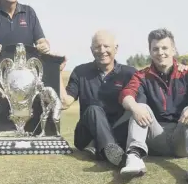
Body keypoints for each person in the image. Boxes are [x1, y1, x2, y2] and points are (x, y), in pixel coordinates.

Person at [119, 28, 188, 184]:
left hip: (181, 138)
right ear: (150, 51)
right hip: (155, 138)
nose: (160, 52)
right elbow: (126, 94)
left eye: (164, 48)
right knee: (140, 107)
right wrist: (134, 107)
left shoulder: (187, 73)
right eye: (155, 49)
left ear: (173, 49)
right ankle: (134, 158)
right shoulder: (142, 76)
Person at [59, 30, 138, 166]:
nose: (102, 50)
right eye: (97, 46)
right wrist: (58, 71)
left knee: (135, 109)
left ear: (116, 48)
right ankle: (114, 153)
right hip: (86, 134)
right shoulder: (80, 72)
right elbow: (65, 103)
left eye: (106, 46)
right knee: (94, 109)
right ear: (91, 50)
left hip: (119, 131)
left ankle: (98, 147)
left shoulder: (129, 73)